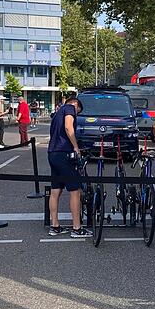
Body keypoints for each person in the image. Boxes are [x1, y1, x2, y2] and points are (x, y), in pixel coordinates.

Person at [47, 93, 91, 238]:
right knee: (75, 190)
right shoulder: (69, 108)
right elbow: (68, 127)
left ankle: (55, 226)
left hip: (52, 153)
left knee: (55, 190)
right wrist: (76, 147)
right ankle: (77, 228)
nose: (76, 115)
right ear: (75, 104)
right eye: (78, 112)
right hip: (64, 153)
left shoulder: (57, 113)